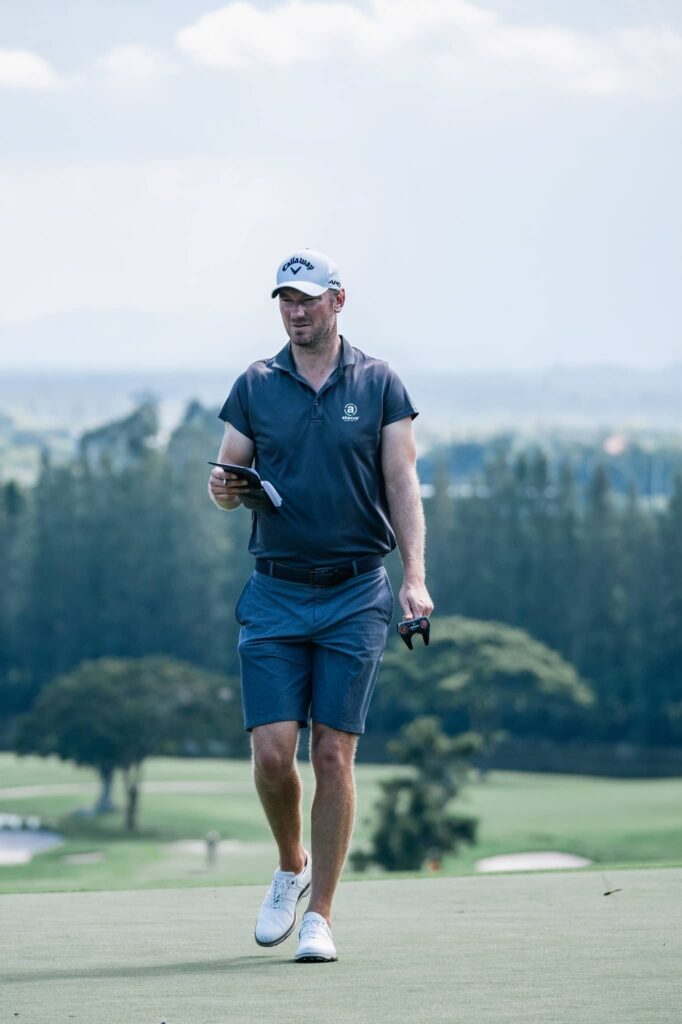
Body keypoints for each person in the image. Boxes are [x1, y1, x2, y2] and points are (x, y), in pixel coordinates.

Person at [208, 248, 433, 962]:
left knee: (333, 755)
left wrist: (414, 578)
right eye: (284, 300)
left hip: (355, 590)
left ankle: (321, 917)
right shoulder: (255, 382)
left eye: (307, 299)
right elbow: (227, 469)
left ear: (338, 300)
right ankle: (290, 865)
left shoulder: (379, 383)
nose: (295, 311)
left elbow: (401, 483)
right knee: (274, 753)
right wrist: (223, 488)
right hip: (273, 590)